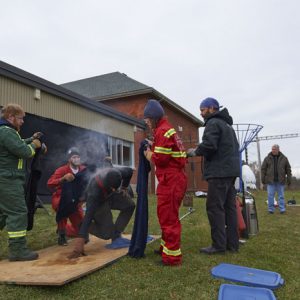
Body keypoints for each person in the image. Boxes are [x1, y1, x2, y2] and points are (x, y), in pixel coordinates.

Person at [187, 97, 240, 254]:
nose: (201, 114)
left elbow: (210, 145)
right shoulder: (227, 125)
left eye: (203, 110)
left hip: (219, 172)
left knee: (214, 207)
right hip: (231, 173)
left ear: (211, 108)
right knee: (229, 208)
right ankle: (233, 244)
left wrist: (195, 151)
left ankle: (218, 245)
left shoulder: (213, 123)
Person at [143, 99, 187, 266]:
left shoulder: (162, 131)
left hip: (171, 180)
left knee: (169, 217)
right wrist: (153, 145)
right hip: (174, 178)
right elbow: (167, 150)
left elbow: (161, 159)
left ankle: (172, 257)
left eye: (147, 119)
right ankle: (165, 248)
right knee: (165, 215)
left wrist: (149, 154)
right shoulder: (166, 130)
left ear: (153, 117)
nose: (146, 123)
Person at [0, 103, 42, 261]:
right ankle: (17, 250)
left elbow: (16, 144)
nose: (23, 121)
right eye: (20, 118)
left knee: (3, 214)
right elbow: (24, 152)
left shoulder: (6, 132)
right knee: (17, 212)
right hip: (8, 180)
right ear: (10, 117)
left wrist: (31, 138)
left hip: (4, 178)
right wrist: (34, 145)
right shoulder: (6, 132)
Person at [68, 167, 136, 258]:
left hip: (111, 196)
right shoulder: (93, 193)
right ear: (107, 184)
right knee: (107, 234)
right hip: (99, 203)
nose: (114, 190)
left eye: (115, 188)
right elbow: (88, 215)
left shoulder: (117, 173)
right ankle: (83, 226)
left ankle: (116, 235)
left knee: (130, 205)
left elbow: (129, 172)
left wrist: (123, 187)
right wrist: (81, 239)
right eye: (113, 188)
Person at [47, 147, 86, 245]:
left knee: (81, 229)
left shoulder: (84, 169)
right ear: (69, 159)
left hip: (76, 200)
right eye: (74, 157)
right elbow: (50, 183)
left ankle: (69, 230)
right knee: (62, 210)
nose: (76, 159)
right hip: (62, 198)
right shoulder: (62, 170)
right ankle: (62, 234)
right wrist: (62, 179)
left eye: (78, 157)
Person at [261, 144, 292, 214]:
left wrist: (289, 179)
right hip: (270, 181)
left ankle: (282, 209)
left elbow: (288, 169)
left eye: (274, 149)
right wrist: (263, 179)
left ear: (278, 150)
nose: (273, 151)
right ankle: (271, 210)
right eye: (272, 149)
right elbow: (263, 169)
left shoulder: (284, 158)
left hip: (280, 181)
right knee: (270, 196)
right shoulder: (267, 158)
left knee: (281, 196)